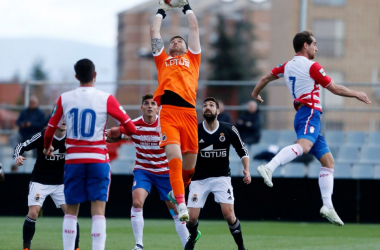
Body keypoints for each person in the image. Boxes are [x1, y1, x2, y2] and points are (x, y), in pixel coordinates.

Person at [251, 30, 371, 227]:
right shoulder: (312, 66)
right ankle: (269, 167)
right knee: (304, 147)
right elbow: (334, 88)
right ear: (305, 45)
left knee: (328, 162)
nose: (316, 47)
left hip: (304, 115)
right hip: (309, 113)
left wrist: (256, 93)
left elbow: (265, 78)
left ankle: (327, 206)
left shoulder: (286, 66)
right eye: (314, 43)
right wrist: (356, 93)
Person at [43, 59, 136, 250]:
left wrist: (47, 147)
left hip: (74, 161)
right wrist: (116, 131)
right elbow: (131, 127)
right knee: (98, 211)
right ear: (95, 75)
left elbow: (50, 129)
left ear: (76, 76)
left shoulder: (65, 98)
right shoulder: (106, 98)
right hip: (98, 160)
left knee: (71, 211)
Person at [106, 93, 189, 250]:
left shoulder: (165, 125)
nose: (150, 106)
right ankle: (139, 244)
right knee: (137, 202)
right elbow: (114, 137)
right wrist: (101, 137)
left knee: (175, 210)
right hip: (144, 170)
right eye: (146, 103)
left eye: (153, 103)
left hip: (165, 172)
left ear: (158, 108)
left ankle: (187, 244)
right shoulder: (133, 125)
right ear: (141, 107)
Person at [150, 1, 201, 222]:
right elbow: (154, 31)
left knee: (189, 169)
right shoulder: (163, 60)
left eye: (180, 40)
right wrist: (162, 10)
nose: (177, 41)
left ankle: (176, 190)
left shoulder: (193, 58)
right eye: (173, 40)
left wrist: (187, 7)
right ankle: (181, 203)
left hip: (189, 114)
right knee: (175, 159)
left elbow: (194, 29)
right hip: (169, 112)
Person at [185, 97, 251, 250]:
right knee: (191, 218)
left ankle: (241, 247)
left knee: (229, 215)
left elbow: (243, 151)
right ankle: (194, 236)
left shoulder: (228, 129)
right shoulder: (195, 130)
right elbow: (186, 153)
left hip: (221, 178)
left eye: (211, 105)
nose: (208, 108)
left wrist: (246, 169)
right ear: (202, 111)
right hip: (199, 179)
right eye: (205, 106)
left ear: (218, 111)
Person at [13, 119, 80, 250]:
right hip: (40, 181)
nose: (65, 121)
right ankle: (26, 248)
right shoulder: (44, 135)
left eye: (67, 117)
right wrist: (17, 156)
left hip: (61, 183)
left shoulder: (73, 137)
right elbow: (22, 145)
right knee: (33, 213)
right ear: (55, 121)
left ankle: (75, 248)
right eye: (61, 117)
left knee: (71, 214)